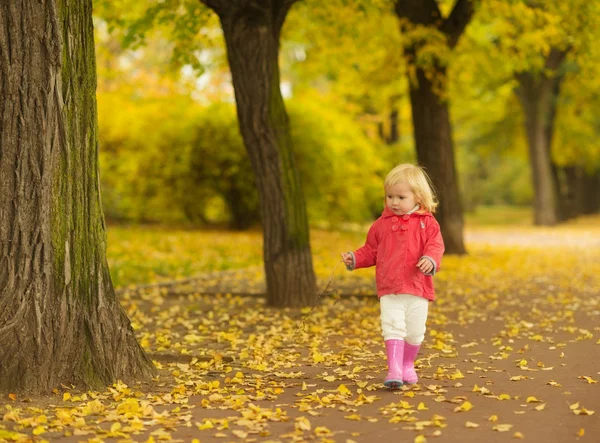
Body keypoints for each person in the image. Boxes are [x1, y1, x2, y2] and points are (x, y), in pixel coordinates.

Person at [341, 163, 445, 389]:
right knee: (392, 325)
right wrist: (355, 258)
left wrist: (430, 259)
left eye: (401, 197)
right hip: (389, 287)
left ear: (418, 197)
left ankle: (407, 364)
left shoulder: (428, 223)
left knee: (416, 331)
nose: (394, 202)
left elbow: (436, 246)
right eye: (390, 196)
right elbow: (371, 250)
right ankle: (394, 369)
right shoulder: (381, 225)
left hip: (417, 286)